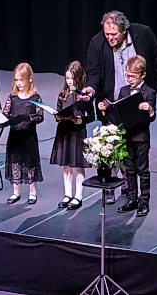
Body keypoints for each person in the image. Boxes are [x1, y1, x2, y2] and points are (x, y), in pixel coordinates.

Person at [82, 10, 157, 204]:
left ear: (124, 30)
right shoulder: (97, 42)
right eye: (107, 34)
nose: (109, 38)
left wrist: (150, 91)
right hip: (111, 100)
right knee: (108, 143)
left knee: (132, 147)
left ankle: (130, 187)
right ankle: (109, 183)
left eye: (113, 35)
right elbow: (93, 71)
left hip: (135, 101)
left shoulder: (143, 34)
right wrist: (91, 89)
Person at [98, 55, 156, 216]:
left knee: (143, 170)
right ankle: (132, 199)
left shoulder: (149, 92)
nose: (129, 79)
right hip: (126, 137)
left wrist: (150, 109)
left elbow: (153, 115)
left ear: (142, 75)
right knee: (129, 170)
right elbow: (117, 110)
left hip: (141, 138)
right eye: (127, 75)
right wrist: (105, 108)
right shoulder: (124, 90)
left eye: (133, 76)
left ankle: (144, 201)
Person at [50, 61, 94, 210]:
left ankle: (78, 196)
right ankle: (67, 194)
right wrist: (58, 116)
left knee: (77, 164)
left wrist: (81, 119)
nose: (69, 82)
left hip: (77, 133)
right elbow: (58, 111)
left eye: (72, 79)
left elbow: (91, 116)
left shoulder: (84, 96)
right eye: (67, 78)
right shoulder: (63, 94)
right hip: (64, 132)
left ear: (79, 79)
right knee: (66, 165)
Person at [3, 63, 44, 205]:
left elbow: (40, 116)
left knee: (29, 163)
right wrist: (1, 119)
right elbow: (5, 113)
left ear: (29, 79)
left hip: (29, 137)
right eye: (16, 80)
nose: (19, 83)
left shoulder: (35, 97)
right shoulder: (12, 97)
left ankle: (32, 191)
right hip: (14, 136)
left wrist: (30, 118)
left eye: (21, 80)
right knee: (15, 161)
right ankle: (16, 191)